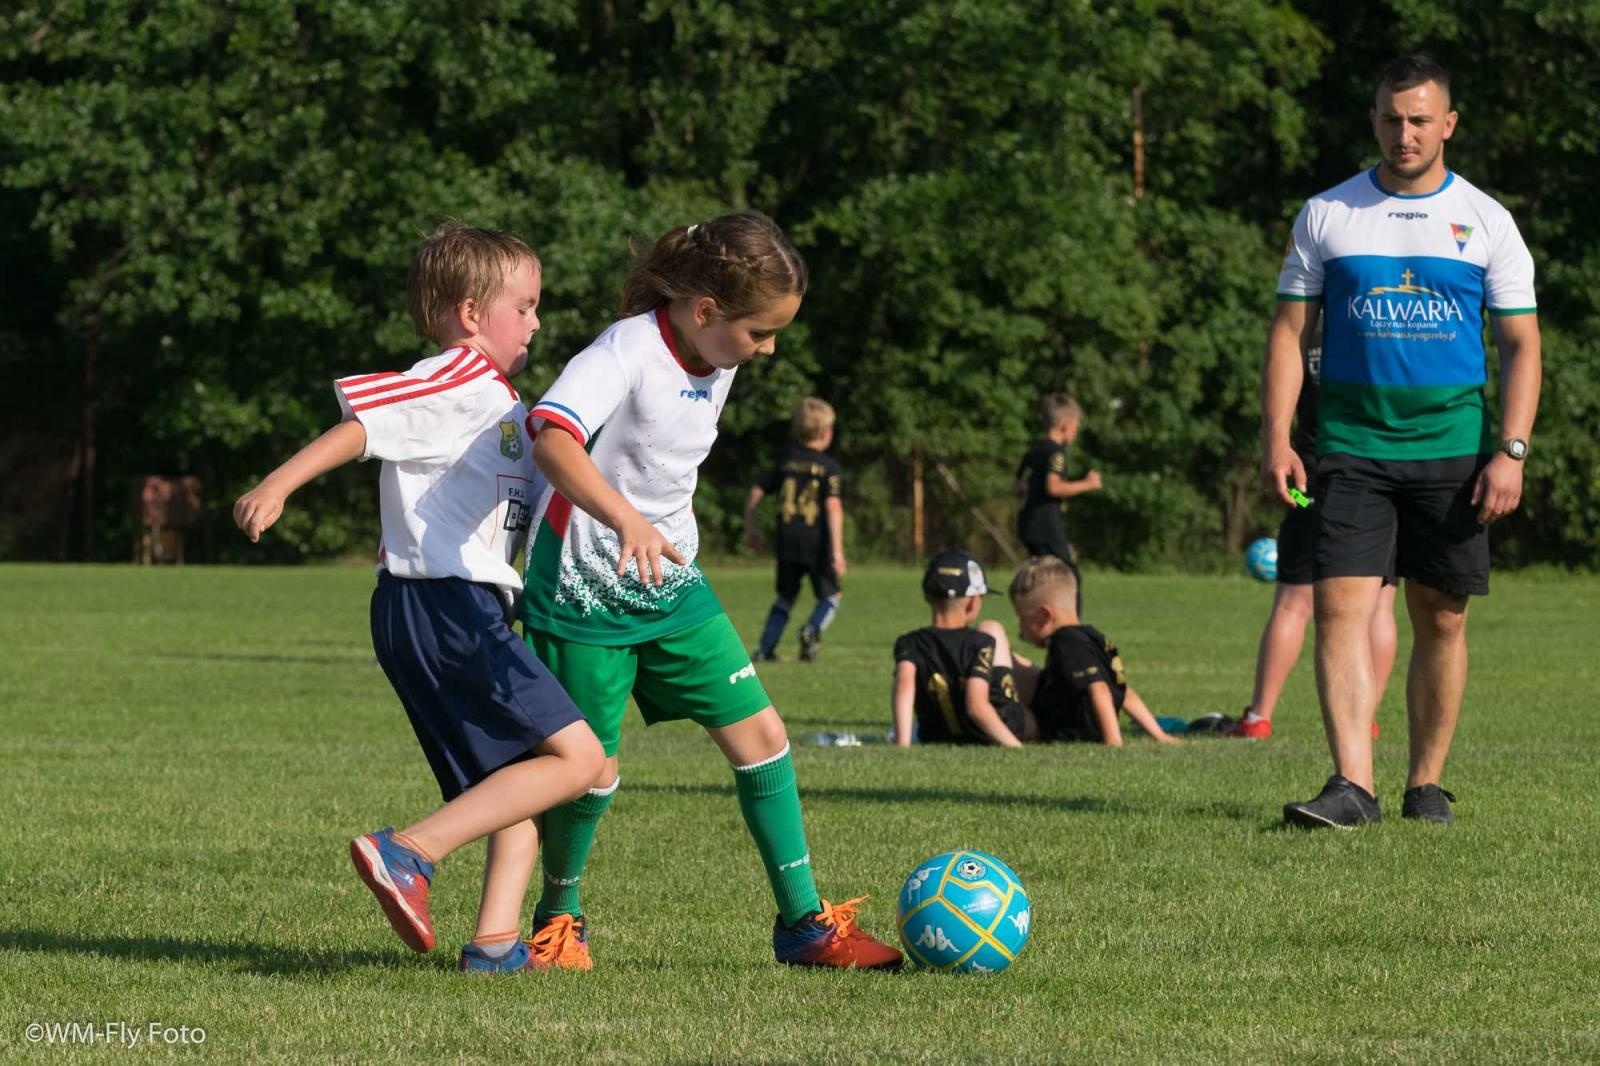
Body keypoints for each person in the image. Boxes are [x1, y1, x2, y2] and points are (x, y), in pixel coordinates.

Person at [517, 209, 901, 969]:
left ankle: (804, 927)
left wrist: (659, 527)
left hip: (672, 585)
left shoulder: (716, 354)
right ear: (704, 311)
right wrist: (625, 518)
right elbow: (552, 434)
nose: (767, 349)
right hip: (583, 585)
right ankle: (557, 922)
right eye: (760, 332)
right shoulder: (624, 350)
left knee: (762, 737)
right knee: (590, 768)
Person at [233, 222, 605, 972]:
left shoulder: (501, 402)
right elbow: (364, 424)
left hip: (459, 609)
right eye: (526, 307)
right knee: (580, 760)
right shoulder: (457, 376)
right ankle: (409, 851)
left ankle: (496, 945)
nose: (536, 323)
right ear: (471, 315)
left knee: (517, 785)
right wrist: (279, 482)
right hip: (442, 604)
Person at [1264, 54, 1541, 828]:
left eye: (1421, 119)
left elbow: (1522, 345)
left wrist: (1511, 450)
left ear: (1448, 123)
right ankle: (1352, 786)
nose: (1405, 133)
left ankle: (1426, 786)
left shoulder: (1488, 222)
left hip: (1454, 450)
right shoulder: (1328, 214)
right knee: (1337, 609)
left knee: (1442, 616)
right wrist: (1279, 437)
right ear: (1374, 120)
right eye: (1392, 118)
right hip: (1349, 444)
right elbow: (1289, 334)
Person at [1228, 325, 1399, 740]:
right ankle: (1366, 718)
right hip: (1379, 481)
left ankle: (1258, 718)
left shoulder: (1297, 337)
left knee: (1292, 604)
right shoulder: (1376, 327)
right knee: (1379, 604)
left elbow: (1275, 401)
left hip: (1310, 481)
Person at [1005, 555, 1180, 746]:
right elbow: (1123, 692)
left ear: (1045, 615)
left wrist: (1113, 742)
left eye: (1023, 618)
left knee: (1001, 690)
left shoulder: (1065, 643)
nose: (1021, 627)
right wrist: (1159, 735)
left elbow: (1099, 689)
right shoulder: (1094, 637)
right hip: (1080, 723)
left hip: (1061, 729)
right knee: (1012, 660)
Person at [890, 550, 1040, 747]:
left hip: (937, 735)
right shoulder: (980, 642)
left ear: (927, 596)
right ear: (972, 602)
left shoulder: (909, 642)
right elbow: (976, 706)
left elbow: (903, 688)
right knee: (993, 627)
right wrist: (1016, 747)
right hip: (991, 733)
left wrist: (902, 744)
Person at [745, 397, 846, 663]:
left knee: (785, 597)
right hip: (817, 544)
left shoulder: (784, 461)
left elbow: (756, 492)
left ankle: (765, 650)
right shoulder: (829, 468)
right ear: (825, 433)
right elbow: (833, 509)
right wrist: (837, 552)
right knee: (832, 594)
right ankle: (812, 630)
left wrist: (751, 527)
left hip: (787, 541)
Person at [1014, 393, 1100, 612]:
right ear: (1066, 425)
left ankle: (1034, 620)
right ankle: (1070, 631)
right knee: (1069, 576)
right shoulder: (1055, 453)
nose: (1076, 431)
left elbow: (1017, 486)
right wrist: (1087, 484)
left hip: (1026, 522)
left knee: (1041, 578)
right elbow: (1054, 486)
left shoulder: (1034, 450)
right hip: (1045, 524)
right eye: (1076, 426)